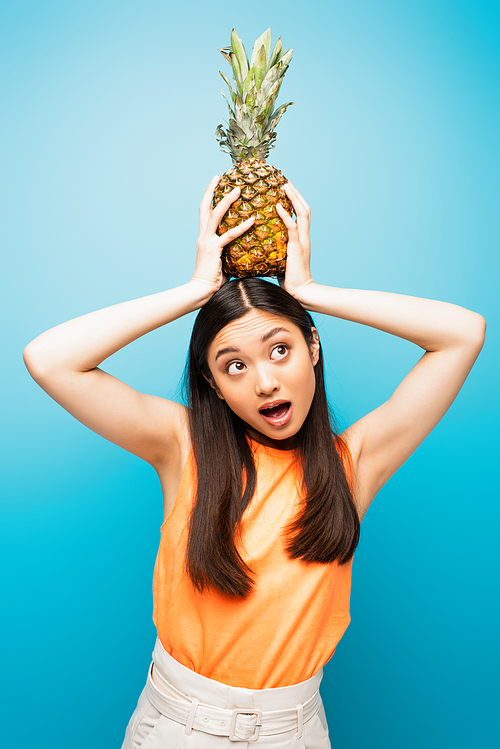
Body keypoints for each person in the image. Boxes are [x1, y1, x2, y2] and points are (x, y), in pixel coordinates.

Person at [23, 178, 485, 748]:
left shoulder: (353, 463)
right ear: (213, 386)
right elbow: (48, 360)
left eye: (280, 349)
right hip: (177, 725)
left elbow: (464, 334)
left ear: (313, 347)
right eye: (233, 365)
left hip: (296, 729)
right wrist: (196, 289)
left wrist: (311, 290)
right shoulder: (182, 445)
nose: (265, 381)